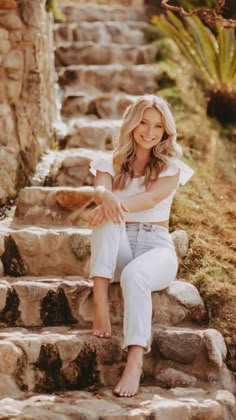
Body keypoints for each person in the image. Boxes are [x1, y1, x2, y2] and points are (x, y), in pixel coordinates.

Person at [87, 95, 194, 398]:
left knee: (135, 272)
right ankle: (100, 303)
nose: (149, 131)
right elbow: (100, 188)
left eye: (158, 126)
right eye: (144, 123)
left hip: (155, 247)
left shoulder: (171, 167)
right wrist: (103, 196)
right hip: (117, 248)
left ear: (165, 131)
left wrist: (110, 201)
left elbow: (148, 200)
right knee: (108, 218)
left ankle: (134, 359)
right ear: (132, 124)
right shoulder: (110, 162)